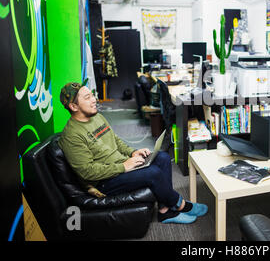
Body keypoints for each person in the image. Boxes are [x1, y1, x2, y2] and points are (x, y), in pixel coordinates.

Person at [58, 80, 208, 224]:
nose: (94, 99)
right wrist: (124, 167)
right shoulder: (72, 136)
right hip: (103, 182)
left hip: (120, 165)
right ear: (74, 106)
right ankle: (180, 204)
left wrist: (132, 153)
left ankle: (165, 211)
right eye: (87, 97)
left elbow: (115, 140)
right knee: (153, 173)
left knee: (162, 157)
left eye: (92, 95)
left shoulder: (97, 116)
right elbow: (87, 172)